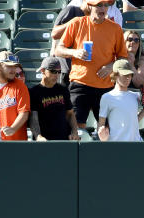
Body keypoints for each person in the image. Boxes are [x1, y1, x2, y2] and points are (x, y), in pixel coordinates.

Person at [55, 0, 127, 129]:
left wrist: (111, 66)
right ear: (89, 6)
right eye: (99, 5)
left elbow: (123, 58)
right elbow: (58, 50)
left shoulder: (115, 28)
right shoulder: (77, 23)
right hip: (80, 83)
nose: (103, 8)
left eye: (106, 5)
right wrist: (74, 52)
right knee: (76, 128)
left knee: (106, 129)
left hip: (105, 86)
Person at [29, 57, 80, 140]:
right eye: (53, 71)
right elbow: (33, 117)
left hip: (64, 139)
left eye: (59, 72)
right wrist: (38, 136)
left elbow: (70, 114)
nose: (57, 75)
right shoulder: (34, 92)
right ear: (42, 71)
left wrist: (74, 132)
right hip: (45, 141)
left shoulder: (63, 89)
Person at [97, 58, 143, 141]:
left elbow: (133, 121)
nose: (128, 78)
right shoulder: (107, 97)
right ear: (115, 75)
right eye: (125, 75)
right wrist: (103, 137)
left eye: (130, 75)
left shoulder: (136, 96)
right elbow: (101, 124)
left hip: (136, 144)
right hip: (116, 146)